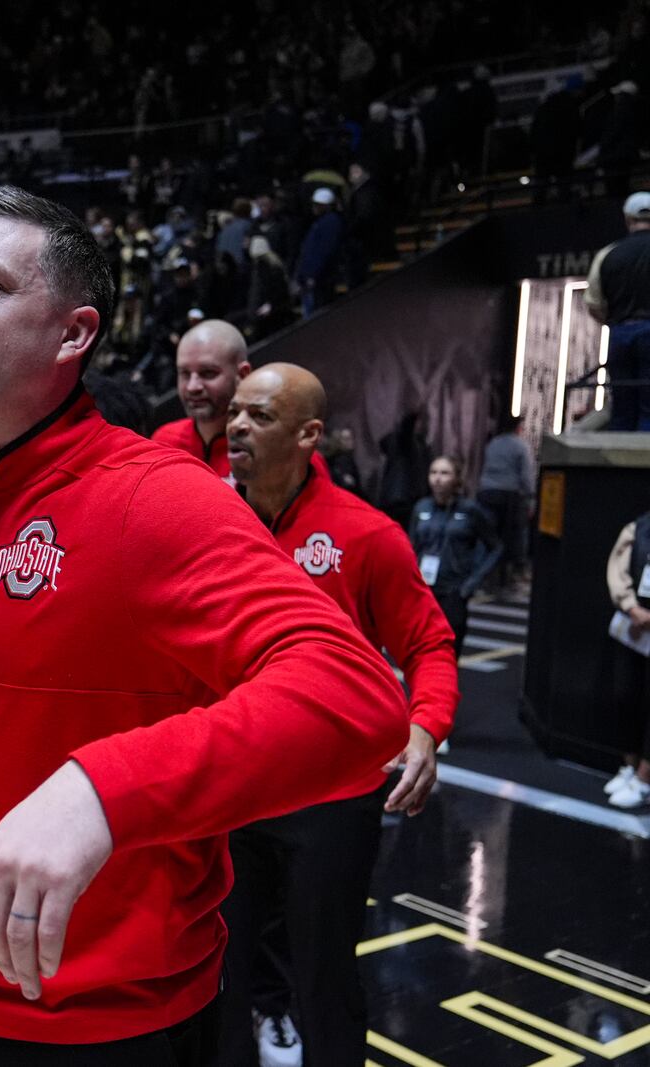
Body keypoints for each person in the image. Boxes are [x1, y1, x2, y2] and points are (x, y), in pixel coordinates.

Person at [0, 185, 408, 1064]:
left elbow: (354, 694)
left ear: (73, 333)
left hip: (118, 1017)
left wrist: (104, 791)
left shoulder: (155, 501)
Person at [217, 363, 459, 1067]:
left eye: (259, 416)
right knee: (220, 973)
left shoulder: (367, 533)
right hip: (231, 784)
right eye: (235, 412)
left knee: (324, 977)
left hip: (332, 794)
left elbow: (429, 640)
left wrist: (426, 728)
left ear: (309, 435)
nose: (235, 426)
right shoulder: (206, 516)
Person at [408, 456, 502, 657]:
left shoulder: (470, 511)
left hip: (454, 592)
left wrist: (471, 584)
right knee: (419, 652)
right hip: (424, 591)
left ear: (456, 479)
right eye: (433, 473)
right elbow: (410, 547)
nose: (438, 479)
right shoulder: (421, 508)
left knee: (448, 653)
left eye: (444, 473)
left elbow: (496, 547)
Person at [151, 319, 251, 480]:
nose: (193, 386)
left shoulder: (264, 448)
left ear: (242, 375)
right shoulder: (164, 440)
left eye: (208, 373)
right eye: (185, 373)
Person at [585, 192, 650, 431]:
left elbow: (593, 303)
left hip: (620, 333)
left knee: (622, 405)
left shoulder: (607, 254)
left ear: (627, 219)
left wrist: (615, 323)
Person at [604, 509, 650, 809]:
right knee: (626, 696)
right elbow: (616, 569)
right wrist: (631, 607)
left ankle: (645, 781)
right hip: (635, 627)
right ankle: (630, 767)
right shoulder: (638, 526)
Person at [476, 415, 536, 593]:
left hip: (487, 491)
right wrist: (531, 497)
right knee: (513, 536)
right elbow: (526, 476)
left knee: (487, 535)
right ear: (518, 428)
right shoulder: (520, 446)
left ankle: (483, 577)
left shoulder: (493, 443)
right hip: (509, 494)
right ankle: (509, 579)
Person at [295, 187, 344, 317]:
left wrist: (313, 275)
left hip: (320, 279)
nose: (314, 207)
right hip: (312, 277)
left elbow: (324, 251)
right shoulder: (321, 223)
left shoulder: (330, 222)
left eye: (317, 205)